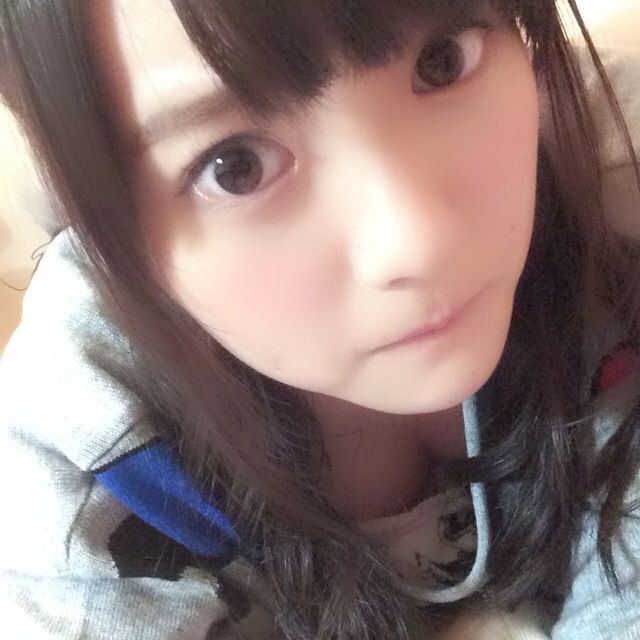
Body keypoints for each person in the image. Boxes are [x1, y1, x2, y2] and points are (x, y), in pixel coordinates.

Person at [0, 0, 639, 638]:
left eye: (441, 61)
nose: (420, 241)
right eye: (236, 167)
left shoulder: (611, 186)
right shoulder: (85, 442)